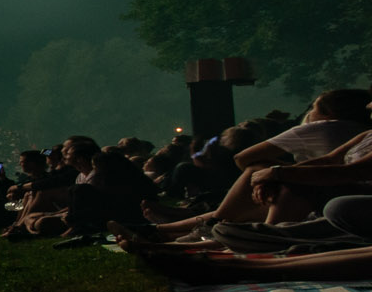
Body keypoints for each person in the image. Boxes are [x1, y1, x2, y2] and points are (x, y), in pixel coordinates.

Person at [143, 90, 372, 235]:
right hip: (325, 189)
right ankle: (184, 226)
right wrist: (276, 174)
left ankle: (222, 229)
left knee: (260, 172)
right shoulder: (362, 133)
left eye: (313, 108)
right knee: (268, 181)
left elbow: (243, 157)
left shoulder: (322, 128)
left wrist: (275, 174)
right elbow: (329, 161)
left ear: (328, 113)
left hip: (329, 191)